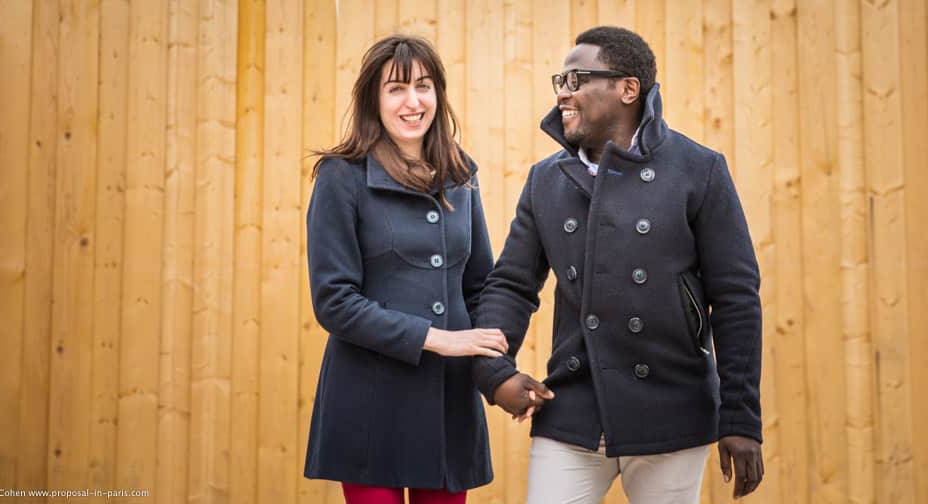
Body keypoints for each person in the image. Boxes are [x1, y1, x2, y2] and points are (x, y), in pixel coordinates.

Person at [470, 26, 764, 503]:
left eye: (578, 79)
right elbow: (510, 286)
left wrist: (740, 417)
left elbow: (735, 300)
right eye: (560, 81)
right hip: (572, 411)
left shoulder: (699, 170)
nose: (563, 93)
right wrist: (496, 373)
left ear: (629, 88)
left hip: (672, 410)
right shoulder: (546, 180)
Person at [303, 35, 503, 504]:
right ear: (373, 99)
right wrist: (439, 339)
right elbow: (334, 301)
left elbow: (481, 289)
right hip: (369, 401)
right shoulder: (341, 176)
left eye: (424, 86)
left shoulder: (462, 176)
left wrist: (501, 375)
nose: (413, 102)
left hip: (447, 403)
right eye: (396, 88)